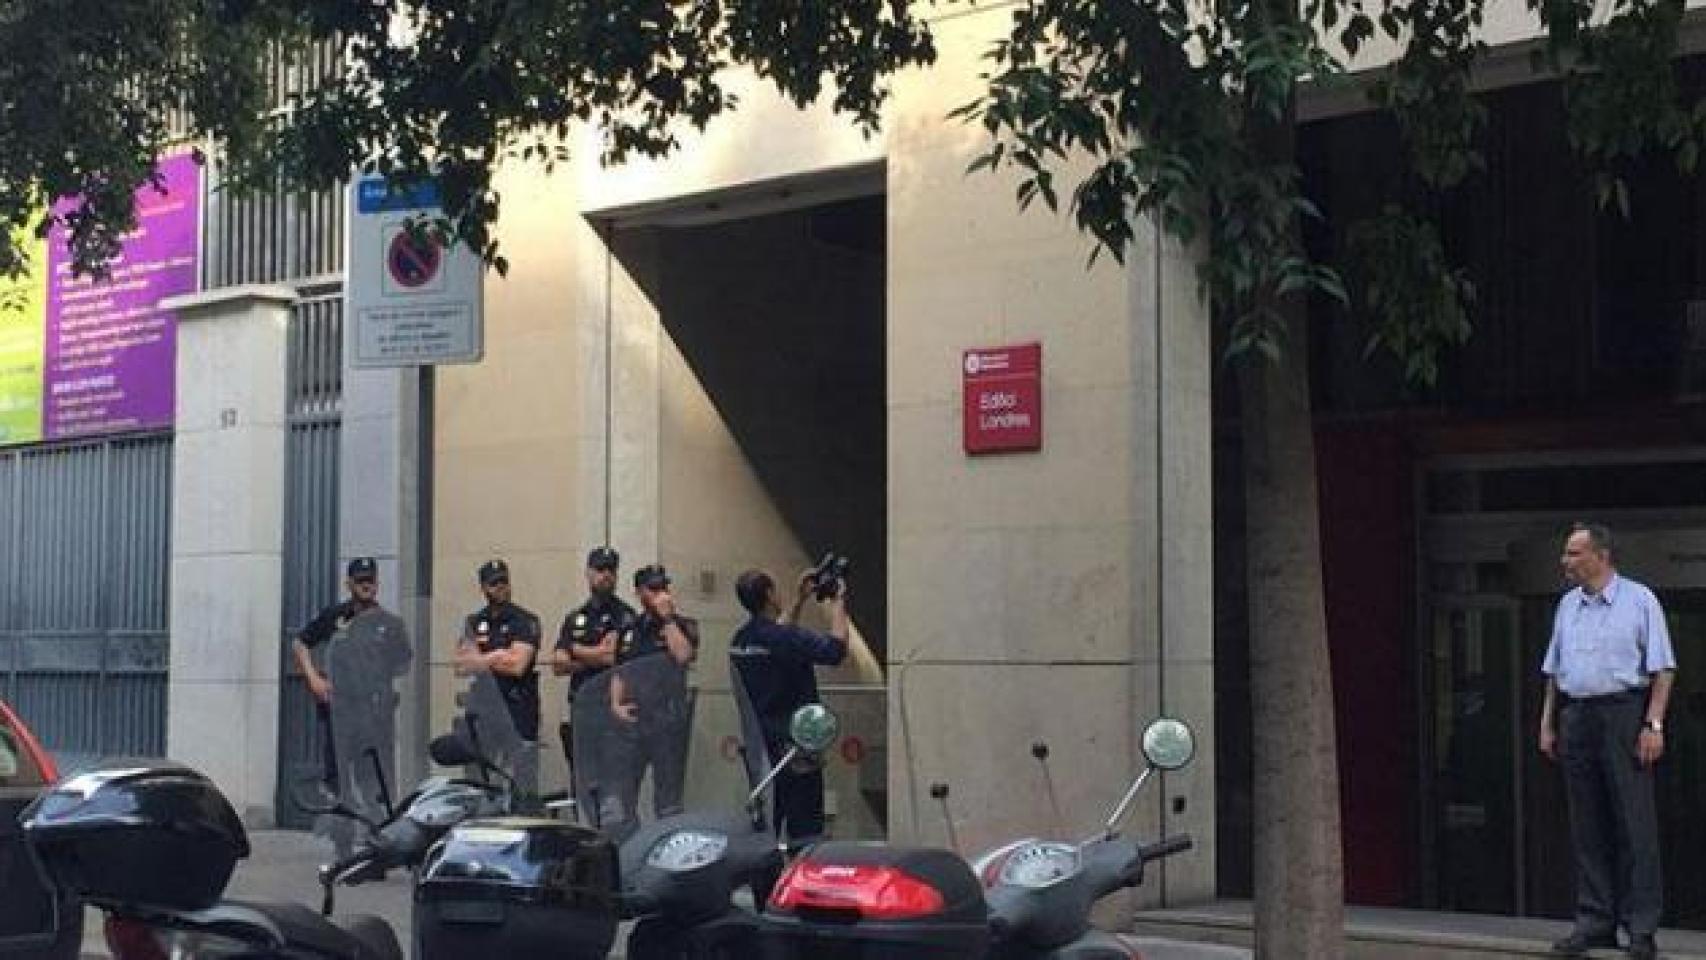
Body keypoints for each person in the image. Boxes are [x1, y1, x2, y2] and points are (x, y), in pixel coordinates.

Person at [1540, 522, 1677, 960]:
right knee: (1587, 823)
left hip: (1623, 711)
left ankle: (1641, 928)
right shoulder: (1567, 607)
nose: (1566, 562)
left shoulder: (1639, 600)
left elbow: (1663, 668)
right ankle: (1594, 920)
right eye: (1565, 554)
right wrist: (1547, 722)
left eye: (1573, 554)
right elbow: (1554, 671)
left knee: (1634, 823)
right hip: (1577, 712)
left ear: (1601, 556)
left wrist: (1653, 724)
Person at [290, 557, 411, 855]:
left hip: (375, 713)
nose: (366, 585)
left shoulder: (390, 624)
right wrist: (313, 679)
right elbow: (300, 643)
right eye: (360, 580)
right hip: (341, 712)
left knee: (377, 782)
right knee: (339, 781)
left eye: (370, 580)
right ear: (349, 583)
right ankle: (342, 848)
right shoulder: (335, 617)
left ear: (377, 583)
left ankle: (378, 848)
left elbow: (403, 664)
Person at [728, 566, 850, 845]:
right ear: (770, 594)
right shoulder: (785, 639)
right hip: (796, 750)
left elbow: (777, 635)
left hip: (762, 751)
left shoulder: (740, 642)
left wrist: (800, 598)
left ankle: (765, 887)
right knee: (805, 832)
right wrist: (838, 602)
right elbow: (836, 650)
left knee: (767, 827)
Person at [606, 563, 698, 836]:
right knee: (623, 795)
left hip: (667, 722)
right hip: (634, 723)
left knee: (668, 799)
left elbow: (683, 656)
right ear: (639, 593)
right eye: (654, 589)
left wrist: (668, 620)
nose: (661, 593)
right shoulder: (630, 628)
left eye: (664, 587)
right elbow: (619, 671)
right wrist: (615, 703)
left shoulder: (682, 625)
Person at [550, 545, 637, 822]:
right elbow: (558, 664)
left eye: (611, 570)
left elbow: (614, 657)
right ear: (588, 573)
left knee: (614, 792)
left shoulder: (626, 617)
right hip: (582, 711)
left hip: (612, 715)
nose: (606, 576)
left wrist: (577, 650)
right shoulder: (575, 617)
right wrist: (592, 654)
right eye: (600, 570)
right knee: (584, 785)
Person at [455, 558, 543, 803]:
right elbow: (462, 665)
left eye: (504, 581)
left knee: (522, 783)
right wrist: (496, 655)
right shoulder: (474, 622)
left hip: (517, 711)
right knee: (480, 781)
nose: (501, 587)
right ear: (483, 588)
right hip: (484, 710)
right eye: (494, 583)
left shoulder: (525, 620)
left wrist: (481, 659)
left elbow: (517, 666)